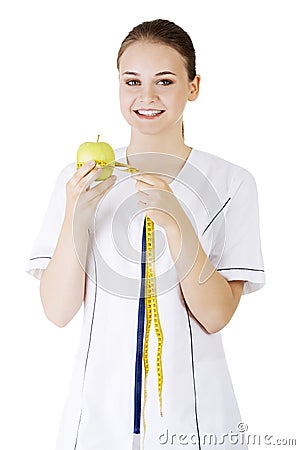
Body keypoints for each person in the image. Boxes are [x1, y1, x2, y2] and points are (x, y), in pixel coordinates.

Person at [26, 19, 265, 450]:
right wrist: (76, 215)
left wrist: (177, 222)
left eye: (165, 81)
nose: (147, 97)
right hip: (96, 420)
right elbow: (57, 311)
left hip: (195, 420)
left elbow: (216, 315)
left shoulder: (230, 183)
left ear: (193, 87)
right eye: (132, 81)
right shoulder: (80, 178)